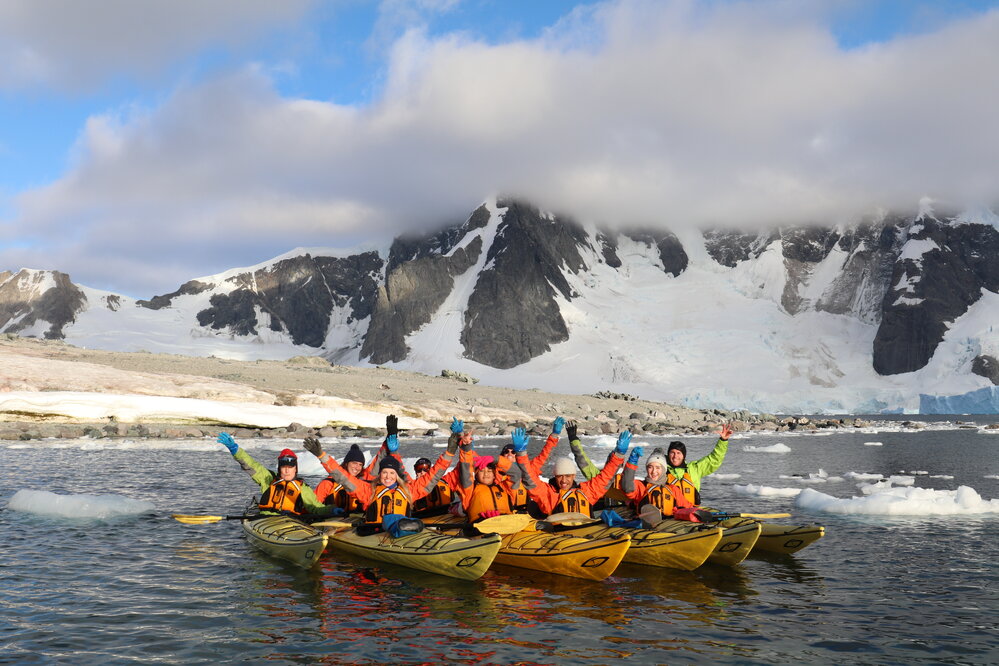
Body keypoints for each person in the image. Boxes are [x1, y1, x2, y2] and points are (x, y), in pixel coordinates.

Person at [303, 429, 459, 524]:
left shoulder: (408, 491)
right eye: (384, 472)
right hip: (373, 532)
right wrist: (322, 456)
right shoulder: (368, 491)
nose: (388, 476)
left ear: (397, 475)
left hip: (403, 531)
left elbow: (434, 474)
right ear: (380, 474)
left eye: (392, 473)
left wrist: (450, 452)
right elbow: (342, 476)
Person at [515, 428, 631, 518]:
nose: (564, 480)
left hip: (584, 533)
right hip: (558, 536)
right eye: (560, 476)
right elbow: (529, 478)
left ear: (574, 476)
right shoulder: (548, 494)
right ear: (555, 477)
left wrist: (619, 454)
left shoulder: (586, 492)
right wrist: (521, 454)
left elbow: (606, 477)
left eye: (568, 476)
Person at [217, 432, 335, 517]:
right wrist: (235, 450)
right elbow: (251, 464)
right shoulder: (268, 479)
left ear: (295, 469)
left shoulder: (303, 488)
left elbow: (315, 508)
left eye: (290, 467)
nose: (287, 471)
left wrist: (332, 510)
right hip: (266, 520)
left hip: (291, 522)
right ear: (279, 469)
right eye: (284, 467)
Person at [661, 423, 734, 509]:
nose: (675, 456)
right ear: (668, 454)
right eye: (672, 453)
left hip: (690, 510)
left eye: (678, 453)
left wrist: (723, 441)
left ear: (683, 455)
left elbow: (714, 459)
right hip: (669, 513)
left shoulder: (694, 468)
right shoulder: (661, 469)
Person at [620, 445, 678, 517]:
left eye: (658, 468)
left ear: (664, 470)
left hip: (669, 524)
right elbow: (627, 486)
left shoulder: (673, 489)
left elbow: (686, 506)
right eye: (650, 467)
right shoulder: (640, 487)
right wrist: (632, 461)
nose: (654, 471)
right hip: (646, 524)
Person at [314, 443, 371, 515]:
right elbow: (314, 505)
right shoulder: (328, 484)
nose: (357, 467)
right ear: (346, 464)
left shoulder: (362, 484)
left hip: (355, 521)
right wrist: (330, 510)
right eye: (354, 463)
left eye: (360, 465)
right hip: (331, 520)